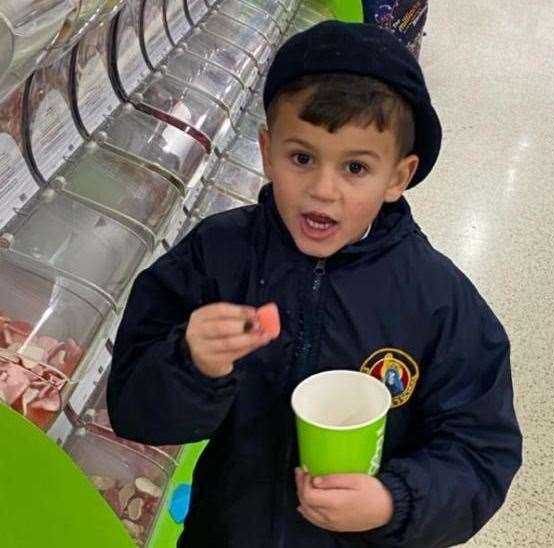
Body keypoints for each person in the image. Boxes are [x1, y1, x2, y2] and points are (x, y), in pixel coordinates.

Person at [107, 20, 522, 548]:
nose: (323, 191)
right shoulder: (215, 257)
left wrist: (393, 500)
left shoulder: (438, 301)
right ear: (266, 149)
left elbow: (481, 451)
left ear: (399, 175)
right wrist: (192, 364)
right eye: (301, 158)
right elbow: (133, 409)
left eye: (355, 167)